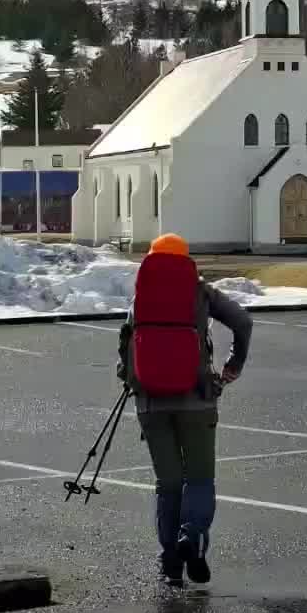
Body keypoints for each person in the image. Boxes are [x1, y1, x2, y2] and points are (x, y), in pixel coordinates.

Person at [118, 232, 253, 588]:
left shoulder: (141, 296)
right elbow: (243, 322)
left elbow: (127, 345)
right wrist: (232, 366)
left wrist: (129, 379)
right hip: (197, 399)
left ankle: (170, 565)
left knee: (169, 484)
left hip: (150, 403)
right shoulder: (202, 293)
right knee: (199, 479)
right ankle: (191, 538)